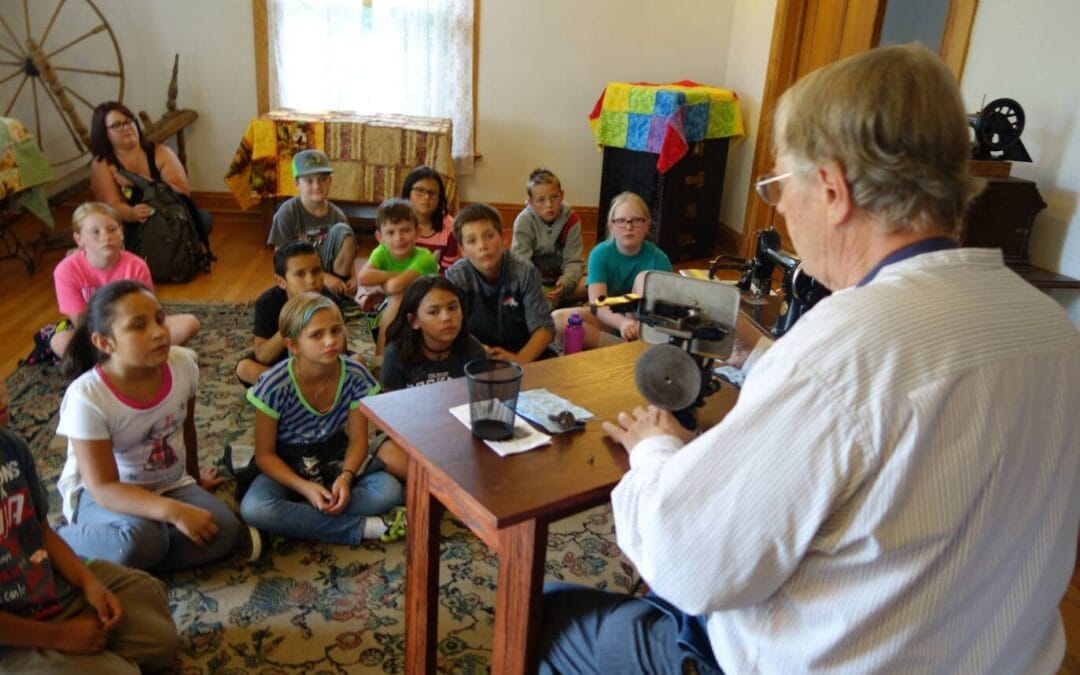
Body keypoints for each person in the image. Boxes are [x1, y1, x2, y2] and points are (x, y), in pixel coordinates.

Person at [538, 44, 1080, 674]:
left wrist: (655, 452)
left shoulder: (845, 344)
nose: (780, 208)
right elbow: (874, 422)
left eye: (779, 185)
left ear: (831, 188)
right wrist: (757, 350)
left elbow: (687, 563)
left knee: (547, 616)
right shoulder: (1050, 328)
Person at [54, 280, 243, 572]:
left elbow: (186, 427)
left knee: (226, 530)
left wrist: (194, 479)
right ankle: (63, 542)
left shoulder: (183, 364)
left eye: (160, 319)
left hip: (169, 484)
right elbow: (104, 488)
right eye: (138, 326)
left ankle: (135, 554)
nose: (158, 332)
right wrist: (176, 512)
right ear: (105, 343)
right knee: (142, 540)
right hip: (107, 495)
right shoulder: (86, 397)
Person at [0, 379, 178, 673]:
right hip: (10, 637)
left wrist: (88, 583)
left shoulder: (11, 446)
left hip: (44, 591)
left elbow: (41, 531)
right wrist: (60, 637)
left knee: (159, 637)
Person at [239, 292, 406, 545]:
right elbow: (265, 455)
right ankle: (364, 528)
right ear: (292, 345)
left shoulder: (354, 375)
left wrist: (346, 478)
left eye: (336, 330)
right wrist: (304, 488)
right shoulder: (273, 385)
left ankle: (291, 519)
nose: (330, 341)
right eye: (316, 335)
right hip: (286, 462)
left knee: (388, 491)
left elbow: (359, 440)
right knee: (254, 508)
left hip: (333, 458)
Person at [50, 202, 200, 359]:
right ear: (79, 239)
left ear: (121, 233)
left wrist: (128, 335)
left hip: (133, 328)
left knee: (189, 323)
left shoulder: (137, 265)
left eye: (112, 230)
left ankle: (115, 360)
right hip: (93, 334)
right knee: (60, 341)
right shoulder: (66, 270)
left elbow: (147, 312)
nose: (106, 237)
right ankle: (130, 357)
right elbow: (80, 321)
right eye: (95, 232)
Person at [375, 276, 488, 477]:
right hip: (410, 433)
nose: (446, 317)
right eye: (433, 312)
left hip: (458, 431)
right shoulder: (397, 353)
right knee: (388, 454)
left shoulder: (473, 350)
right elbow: (391, 413)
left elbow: (479, 405)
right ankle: (440, 481)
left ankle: (434, 480)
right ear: (414, 321)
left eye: (453, 307)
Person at [551, 192, 671, 350]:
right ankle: (624, 350)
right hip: (610, 318)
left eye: (636, 221)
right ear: (612, 225)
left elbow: (663, 311)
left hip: (642, 324)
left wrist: (633, 322)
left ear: (647, 225)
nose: (628, 227)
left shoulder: (659, 260)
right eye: (621, 221)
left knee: (644, 279)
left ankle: (629, 348)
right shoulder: (600, 254)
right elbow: (598, 304)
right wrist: (623, 323)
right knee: (557, 320)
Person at [88, 100, 210, 256]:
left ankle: (174, 253)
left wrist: (142, 182)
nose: (126, 127)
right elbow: (112, 206)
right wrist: (133, 213)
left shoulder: (160, 152)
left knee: (203, 219)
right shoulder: (101, 164)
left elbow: (182, 193)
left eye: (129, 121)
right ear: (104, 133)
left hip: (168, 216)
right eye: (117, 125)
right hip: (133, 226)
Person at [446, 203, 555, 363]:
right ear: (462, 249)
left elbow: (544, 328)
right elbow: (449, 330)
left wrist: (519, 359)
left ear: (503, 238)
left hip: (521, 348)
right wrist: (478, 352)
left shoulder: (525, 272)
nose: (482, 246)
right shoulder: (456, 278)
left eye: (489, 236)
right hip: (474, 351)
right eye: (472, 241)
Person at [235, 240, 337, 386]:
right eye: (300, 274)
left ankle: (296, 387)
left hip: (320, 361)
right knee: (244, 368)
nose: (311, 281)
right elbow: (263, 357)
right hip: (281, 364)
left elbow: (340, 349)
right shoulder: (267, 303)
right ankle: (298, 386)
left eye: (316, 271)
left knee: (358, 360)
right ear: (281, 282)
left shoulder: (329, 301)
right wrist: (292, 320)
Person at [266, 149, 358, 299]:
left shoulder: (338, 215)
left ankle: (340, 292)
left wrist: (352, 277)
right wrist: (324, 278)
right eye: (309, 181)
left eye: (322, 179)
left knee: (344, 231)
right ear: (297, 184)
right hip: (301, 274)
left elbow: (348, 254)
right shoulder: (286, 214)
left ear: (330, 181)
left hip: (331, 271)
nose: (317, 186)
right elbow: (280, 259)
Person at [356, 198, 438, 356]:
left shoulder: (424, 257)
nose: (398, 238)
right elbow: (363, 278)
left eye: (405, 230)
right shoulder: (382, 251)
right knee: (387, 297)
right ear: (380, 237)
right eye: (391, 232)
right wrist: (391, 282)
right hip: (401, 307)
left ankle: (381, 355)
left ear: (417, 232)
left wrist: (384, 284)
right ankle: (384, 353)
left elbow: (393, 287)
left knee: (397, 295)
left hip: (427, 304)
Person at [511, 167, 586, 306]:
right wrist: (536, 288)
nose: (549, 205)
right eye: (541, 200)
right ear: (530, 202)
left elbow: (574, 261)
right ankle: (551, 304)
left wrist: (563, 285)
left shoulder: (572, 219)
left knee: (590, 284)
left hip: (561, 280)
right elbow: (521, 262)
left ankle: (553, 302)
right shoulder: (523, 221)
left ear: (562, 195)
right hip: (534, 282)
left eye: (554, 197)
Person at [402, 165, 458, 273]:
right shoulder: (394, 222)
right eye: (420, 190)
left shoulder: (450, 229)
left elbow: (446, 273)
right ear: (408, 193)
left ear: (440, 198)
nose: (427, 197)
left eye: (432, 193)